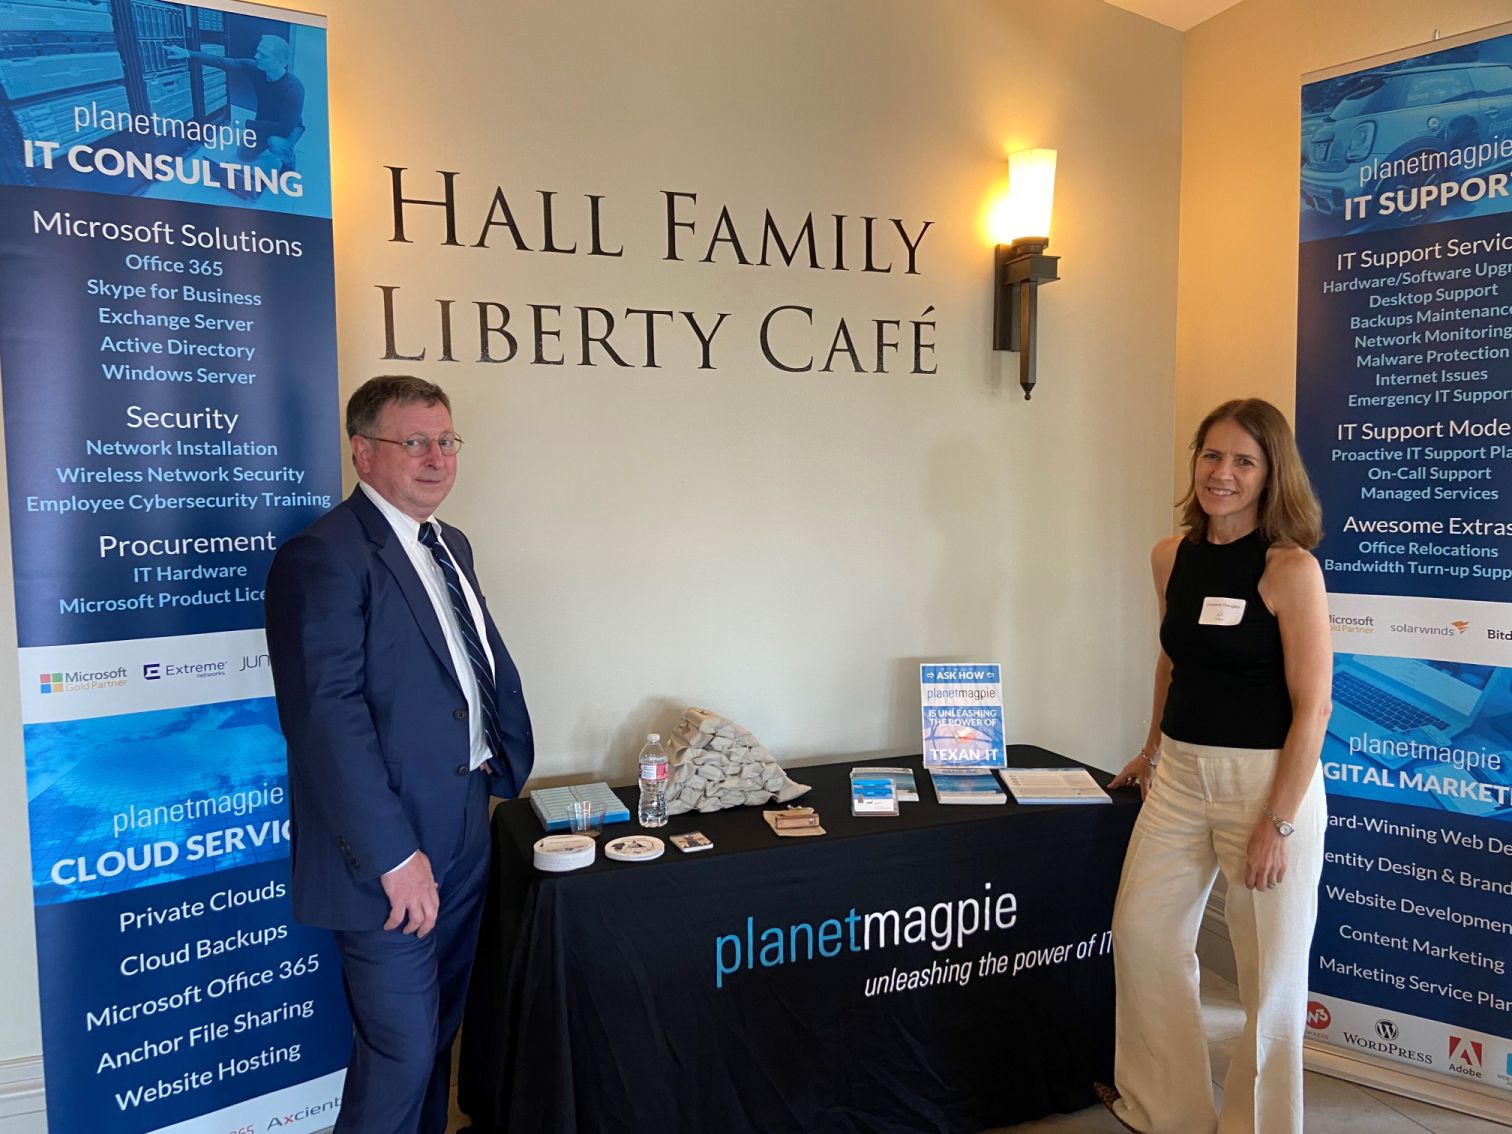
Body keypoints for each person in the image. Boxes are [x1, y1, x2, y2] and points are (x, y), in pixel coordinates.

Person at [265, 375, 533, 1134]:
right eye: (413, 441)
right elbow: (325, 721)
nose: (436, 458)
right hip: (389, 850)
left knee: (438, 1033)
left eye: (446, 441)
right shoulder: (323, 557)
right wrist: (393, 856)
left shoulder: (452, 545)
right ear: (362, 452)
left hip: (466, 819)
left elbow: (462, 672)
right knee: (401, 1051)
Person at [1098, 398, 1330, 1134]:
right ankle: (1166, 1111)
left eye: (1243, 461)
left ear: (1270, 476)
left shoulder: (1289, 569)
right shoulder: (1171, 555)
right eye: (1212, 455)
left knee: (1270, 980)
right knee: (1142, 935)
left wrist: (1279, 823)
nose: (1222, 473)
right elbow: (1174, 658)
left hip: (1266, 784)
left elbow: (1314, 707)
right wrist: (1150, 747)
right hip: (1181, 776)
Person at [166, 35, 305, 169]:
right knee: (244, 155)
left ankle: (289, 162)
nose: (256, 56)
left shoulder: (294, 89)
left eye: (263, 55)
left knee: (276, 143)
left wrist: (249, 124)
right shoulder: (256, 68)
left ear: (280, 62)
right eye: (258, 52)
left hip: (289, 127)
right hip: (264, 122)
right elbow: (223, 62)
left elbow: (284, 128)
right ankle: (266, 144)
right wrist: (188, 53)